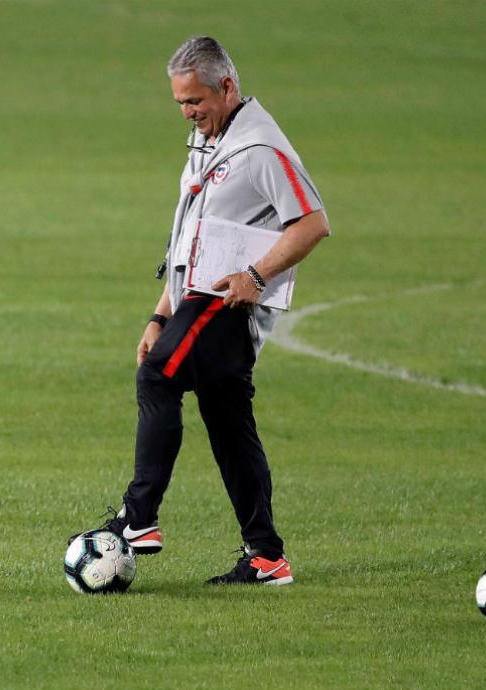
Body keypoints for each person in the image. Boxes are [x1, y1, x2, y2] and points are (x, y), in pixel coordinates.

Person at [75, 36, 330, 585]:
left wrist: (258, 276)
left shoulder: (261, 150)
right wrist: (160, 314)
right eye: (181, 104)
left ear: (228, 87)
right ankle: (266, 556)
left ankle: (139, 518)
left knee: (158, 376)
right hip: (193, 300)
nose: (189, 113)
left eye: (196, 101)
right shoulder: (207, 140)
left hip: (226, 305)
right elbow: (190, 237)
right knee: (229, 425)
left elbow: (312, 221)